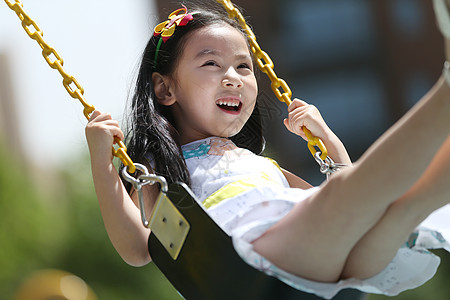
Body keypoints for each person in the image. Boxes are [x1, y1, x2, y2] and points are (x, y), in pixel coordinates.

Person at [85, 1, 450, 298]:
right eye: (211, 63)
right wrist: (103, 163)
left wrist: (330, 143)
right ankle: (445, 95)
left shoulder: (258, 164)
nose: (233, 76)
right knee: (350, 196)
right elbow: (138, 250)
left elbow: (345, 205)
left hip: (318, 267)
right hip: (251, 265)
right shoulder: (162, 169)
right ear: (165, 90)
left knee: (399, 210)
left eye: (243, 66)